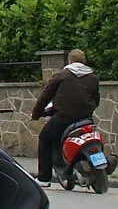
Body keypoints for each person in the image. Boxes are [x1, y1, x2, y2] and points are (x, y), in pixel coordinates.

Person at [32, 48, 100, 184]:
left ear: (69, 61)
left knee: (45, 138)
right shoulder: (92, 77)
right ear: (84, 61)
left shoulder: (61, 76)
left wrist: (36, 114)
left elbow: (46, 96)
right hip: (85, 118)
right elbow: (96, 99)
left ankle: (44, 178)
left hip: (64, 117)